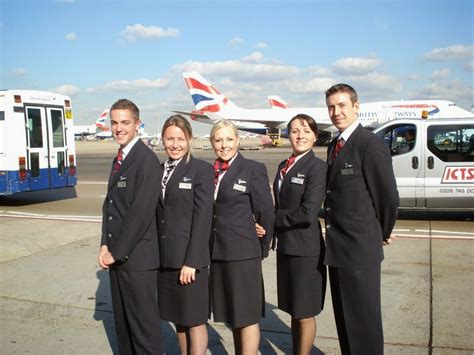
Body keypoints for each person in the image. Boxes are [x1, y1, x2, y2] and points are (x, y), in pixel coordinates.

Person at [324, 84, 399, 355]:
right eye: (331, 106)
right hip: (338, 249)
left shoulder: (370, 144)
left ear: (356, 106)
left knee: (363, 323)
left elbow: (387, 196)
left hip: (359, 249)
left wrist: (382, 231)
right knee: (345, 321)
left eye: (342, 105)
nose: (336, 112)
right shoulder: (335, 144)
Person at [97, 98, 163, 354]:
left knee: (144, 333)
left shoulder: (144, 160)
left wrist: (116, 251)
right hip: (118, 255)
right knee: (124, 329)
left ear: (137, 124)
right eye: (114, 122)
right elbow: (110, 206)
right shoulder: (121, 158)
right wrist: (104, 243)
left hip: (138, 260)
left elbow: (140, 215)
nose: (118, 128)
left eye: (125, 122)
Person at [209, 119, 274, 354]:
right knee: (233, 316)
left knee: (246, 316)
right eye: (218, 140)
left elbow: (266, 211)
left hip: (243, 254)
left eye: (228, 139)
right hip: (218, 253)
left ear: (237, 140)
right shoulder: (210, 172)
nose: (224, 145)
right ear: (212, 143)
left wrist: (261, 245)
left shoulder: (252, 169)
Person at [157, 115, 214, 355]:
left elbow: (203, 219)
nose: (175, 144)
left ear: (190, 139)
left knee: (194, 320)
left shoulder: (201, 170)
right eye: (170, 138)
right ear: (162, 140)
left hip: (190, 261)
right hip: (165, 260)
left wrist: (191, 261)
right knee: (178, 318)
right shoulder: (158, 170)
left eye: (181, 138)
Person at [271, 114, 327, 354]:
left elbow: (307, 212)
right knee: (294, 309)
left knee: (305, 312)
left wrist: (272, 219)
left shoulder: (317, 167)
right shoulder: (284, 166)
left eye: (305, 131)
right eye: (294, 131)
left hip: (305, 250)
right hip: (286, 247)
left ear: (315, 136)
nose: (300, 135)